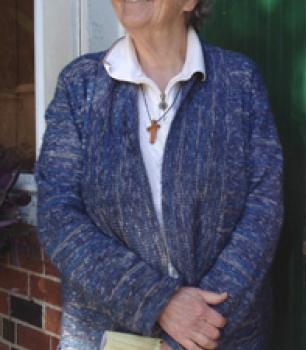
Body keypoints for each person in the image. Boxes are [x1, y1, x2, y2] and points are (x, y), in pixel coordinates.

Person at [35, 0, 283, 349]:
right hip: (107, 336)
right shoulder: (80, 86)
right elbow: (57, 214)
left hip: (221, 335)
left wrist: (200, 324)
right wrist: (157, 301)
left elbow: (264, 208)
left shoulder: (240, 82)